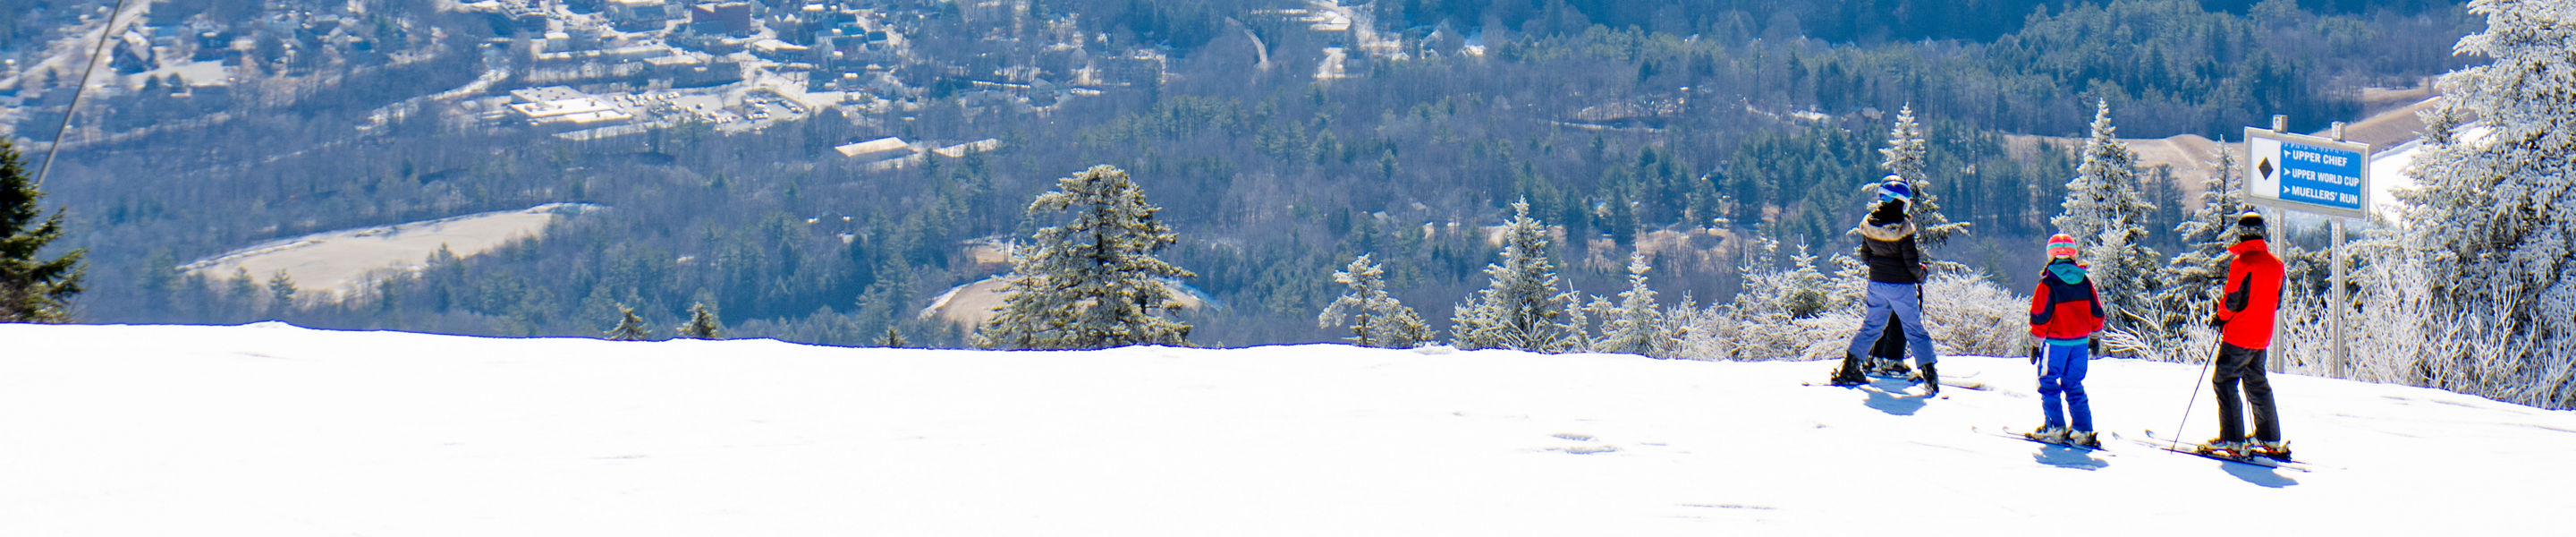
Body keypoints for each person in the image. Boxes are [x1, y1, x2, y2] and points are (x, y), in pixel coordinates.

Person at [1831, 176, 1939, 392]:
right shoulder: (1904, 227)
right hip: (1901, 286)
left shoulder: (1869, 223)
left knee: (1872, 326)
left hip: (1876, 284)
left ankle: (1849, 369)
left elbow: (1865, 256)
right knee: (1914, 329)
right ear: (1901, 201)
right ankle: (1929, 375)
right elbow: (1911, 263)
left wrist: (1881, 267)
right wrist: (1922, 274)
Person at [2207, 210, 2288, 459]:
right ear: (2263, 233)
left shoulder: (2241, 263)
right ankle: (2269, 437)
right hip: (2262, 337)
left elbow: (2231, 302)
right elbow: (2276, 302)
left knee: (2224, 381)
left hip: (2239, 336)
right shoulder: (2277, 265)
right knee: (2257, 383)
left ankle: (2233, 440)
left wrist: (2219, 317)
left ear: (2241, 234)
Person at [2027, 234, 2105, 447]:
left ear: (2050, 255)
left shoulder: (2048, 283)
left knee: (2048, 382)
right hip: (2079, 343)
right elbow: (2097, 312)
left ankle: (2055, 428)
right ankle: (2082, 430)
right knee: (2073, 383)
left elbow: (2040, 317)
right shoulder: (2084, 281)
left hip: (2055, 344)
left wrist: (2035, 343)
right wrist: (2095, 336)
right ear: (2073, 254)